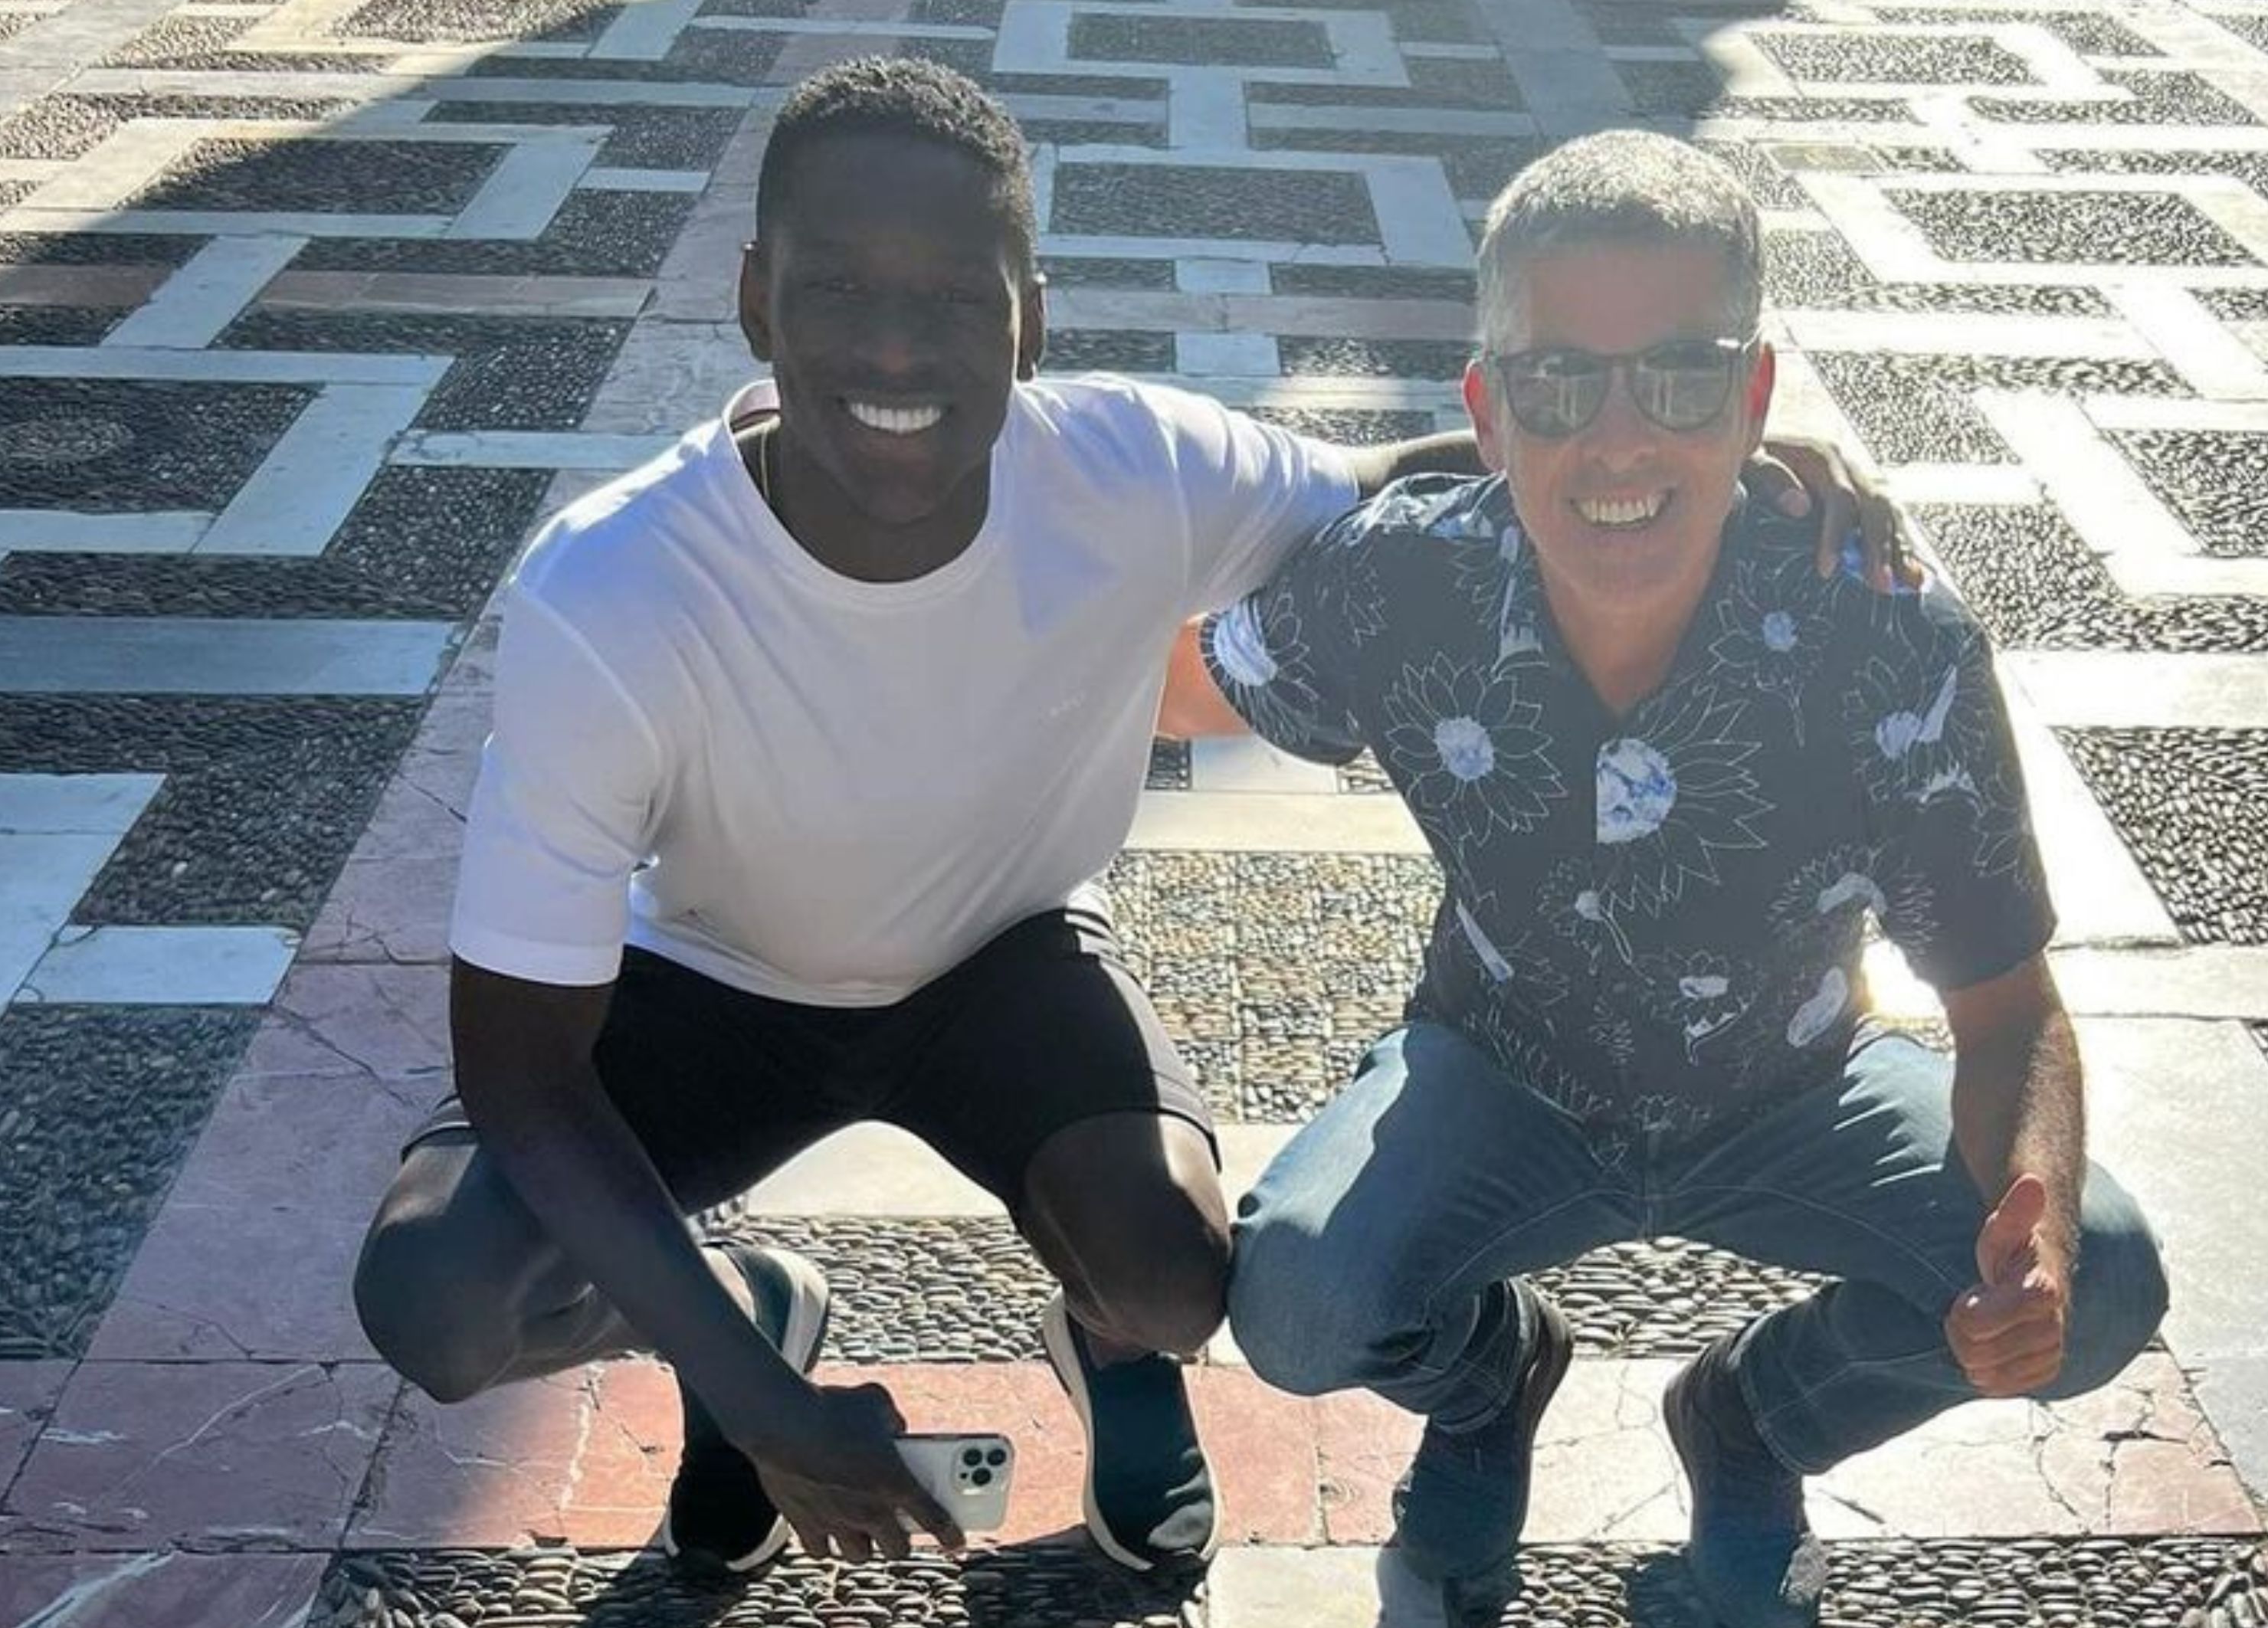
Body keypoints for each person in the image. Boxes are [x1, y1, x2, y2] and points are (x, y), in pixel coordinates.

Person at [348, 63, 1895, 1581]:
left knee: (1172, 1273)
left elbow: (1384, 492)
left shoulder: (1127, 469)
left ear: (1033, 318)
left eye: (956, 297)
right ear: (756, 303)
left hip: (1005, 959)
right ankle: (739, 1313)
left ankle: (1110, 1354)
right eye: (836, 291)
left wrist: (1693, 463)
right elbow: (526, 1077)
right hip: (709, 971)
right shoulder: (611, 587)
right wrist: (765, 1404)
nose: (896, 344)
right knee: (438, 1297)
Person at [1179, 133, 2170, 1626]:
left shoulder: (1884, 632)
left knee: (2097, 1277)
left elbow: (2009, 1004)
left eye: (1683, 379)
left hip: (1796, 1082)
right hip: (1496, 1074)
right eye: (1562, 380)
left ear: (1757, 397)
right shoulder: (1399, 585)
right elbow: (1160, 677)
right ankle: (1490, 1385)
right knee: (1302, 1303)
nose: (1622, 438)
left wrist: (2024, 1223)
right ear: (1491, 407)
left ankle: (1754, 1416)